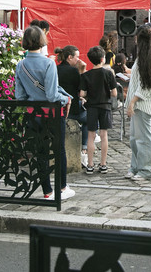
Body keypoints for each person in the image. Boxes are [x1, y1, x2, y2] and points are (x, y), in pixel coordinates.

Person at [14, 25, 74, 201]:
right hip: (52, 115)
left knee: (40, 152)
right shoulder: (48, 63)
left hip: (33, 115)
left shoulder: (21, 65)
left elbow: (20, 96)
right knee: (59, 150)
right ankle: (62, 187)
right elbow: (52, 95)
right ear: (42, 41)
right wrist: (66, 100)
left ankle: (47, 191)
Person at [126, 24, 151, 182]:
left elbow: (147, 84)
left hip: (142, 104)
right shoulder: (143, 56)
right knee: (134, 138)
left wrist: (133, 102)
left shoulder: (146, 57)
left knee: (143, 139)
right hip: (137, 103)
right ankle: (135, 167)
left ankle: (146, 169)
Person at [82, 45, 117, 174]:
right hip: (105, 106)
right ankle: (103, 164)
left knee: (91, 135)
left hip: (91, 107)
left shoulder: (86, 75)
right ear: (103, 59)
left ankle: (90, 165)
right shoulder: (108, 73)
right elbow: (114, 93)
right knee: (104, 135)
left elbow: (82, 93)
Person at [54, 45, 87, 158]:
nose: (78, 59)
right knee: (89, 118)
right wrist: (82, 71)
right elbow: (81, 90)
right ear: (69, 57)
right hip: (71, 109)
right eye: (77, 57)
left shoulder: (55, 69)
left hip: (57, 106)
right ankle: (84, 148)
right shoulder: (73, 71)